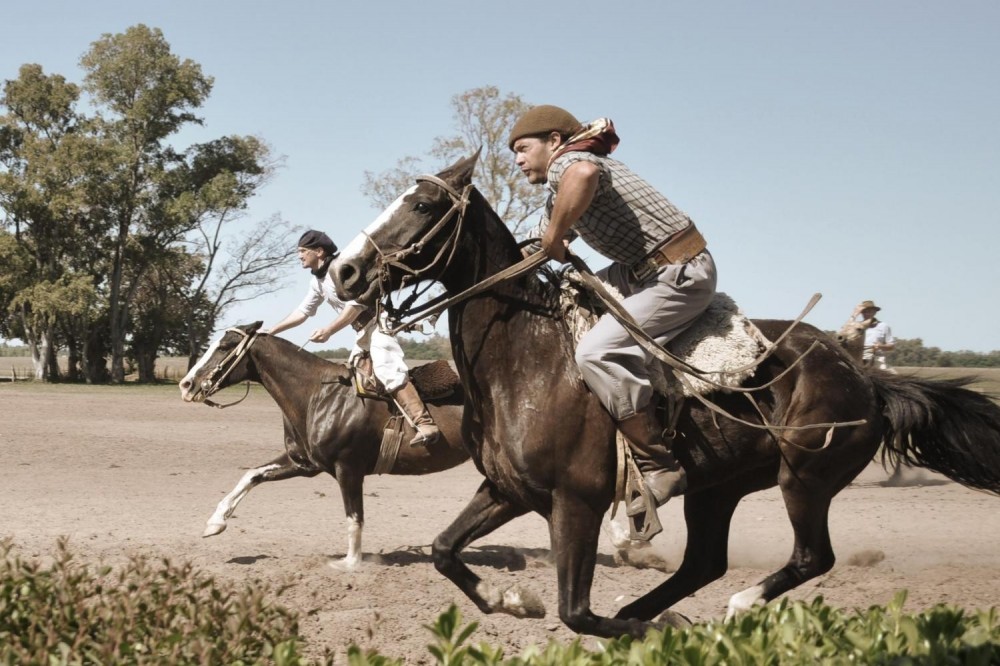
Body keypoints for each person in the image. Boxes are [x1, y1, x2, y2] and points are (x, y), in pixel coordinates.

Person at [509, 105, 718, 532]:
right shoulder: (557, 191)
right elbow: (535, 248)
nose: (517, 160)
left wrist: (553, 238)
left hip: (678, 272)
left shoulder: (571, 161)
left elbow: (582, 177)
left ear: (553, 141)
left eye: (523, 148)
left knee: (596, 351)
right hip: (639, 271)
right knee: (562, 300)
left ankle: (659, 464)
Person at [268, 230, 439, 447]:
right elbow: (302, 312)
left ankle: (425, 424)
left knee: (387, 370)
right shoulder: (317, 283)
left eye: (302, 251)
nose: (299, 256)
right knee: (358, 377)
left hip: (378, 325)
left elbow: (356, 306)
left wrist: (329, 330)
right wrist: (272, 330)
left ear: (319, 251)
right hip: (362, 332)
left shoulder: (341, 269)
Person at [847, 299, 896, 371]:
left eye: (869, 311)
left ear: (874, 312)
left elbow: (891, 346)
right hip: (857, 358)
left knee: (889, 374)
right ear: (861, 313)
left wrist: (880, 346)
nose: (867, 313)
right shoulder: (856, 326)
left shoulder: (883, 326)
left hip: (876, 357)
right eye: (864, 311)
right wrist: (854, 314)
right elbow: (845, 330)